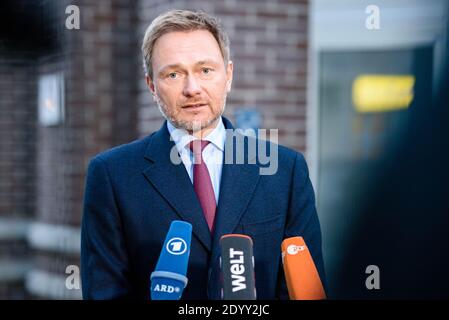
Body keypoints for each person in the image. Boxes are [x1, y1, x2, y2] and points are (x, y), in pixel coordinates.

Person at [81, 9, 325, 300]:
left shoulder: (286, 170)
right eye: (173, 74)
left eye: (205, 70)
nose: (191, 88)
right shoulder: (112, 175)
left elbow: (306, 290)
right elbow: (104, 293)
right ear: (151, 86)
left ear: (228, 75)